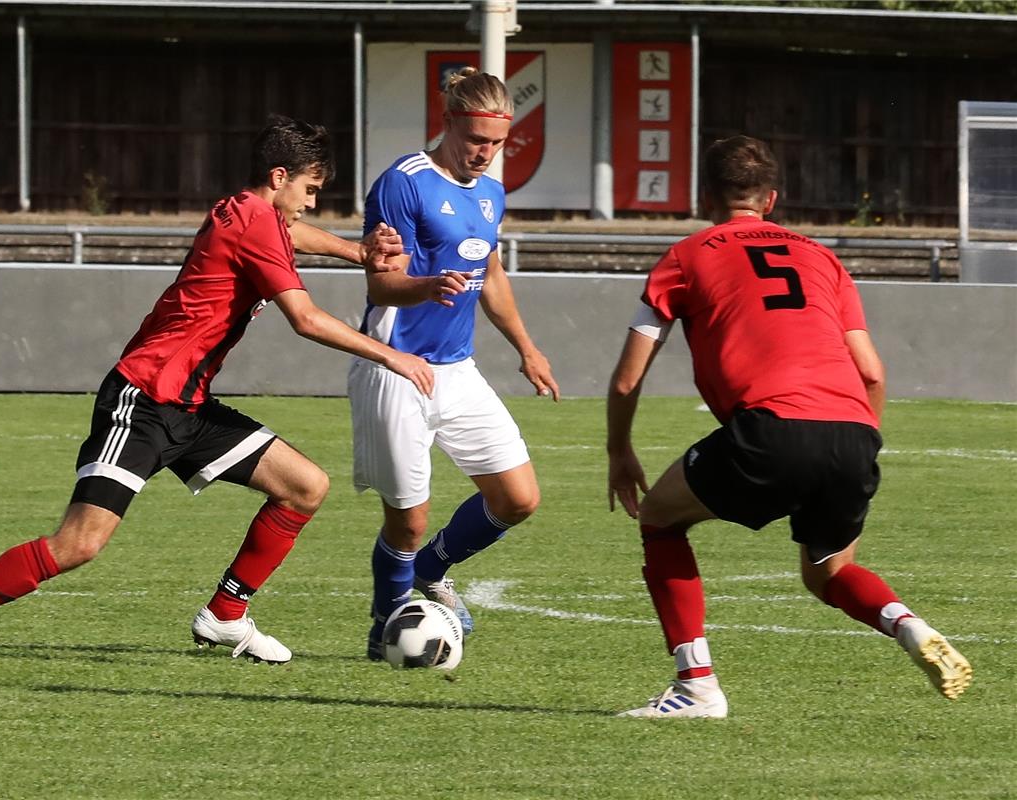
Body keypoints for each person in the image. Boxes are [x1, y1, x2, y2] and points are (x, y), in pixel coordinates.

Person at [0, 114, 435, 667]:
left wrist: (360, 253)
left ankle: (225, 615)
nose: (313, 203)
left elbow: (293, 233)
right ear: (280, 176)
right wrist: (393, 355)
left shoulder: (249, 211)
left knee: (304, 486)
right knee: (80, 542)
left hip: (189, 406)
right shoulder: (255, 221)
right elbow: (305, 319)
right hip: (144, 399)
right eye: (310, 189)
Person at [605, 135, 972, 718]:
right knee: (828, 573)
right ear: (770, 199)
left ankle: (697, 687)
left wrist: (619, 450)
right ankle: (907, 623)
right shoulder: (821, 257)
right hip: (853, 432)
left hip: (773, 429)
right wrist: (860, 443)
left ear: (707, 195)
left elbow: (627, 380)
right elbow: (871, 371)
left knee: (660, 519)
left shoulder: (687, 254)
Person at [350, 67, 560, 660]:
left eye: (495, 143)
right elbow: (381, 285)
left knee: (518, 498)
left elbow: (489, 275)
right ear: (447, 123)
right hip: (396, 366)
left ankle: (433, 570)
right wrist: (425, 286)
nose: (485, 154)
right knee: (406, 524)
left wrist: (527, 348)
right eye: (475, 140)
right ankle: (385, 630)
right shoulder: (403, 183)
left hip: (457, 369)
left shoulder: (492, 193)